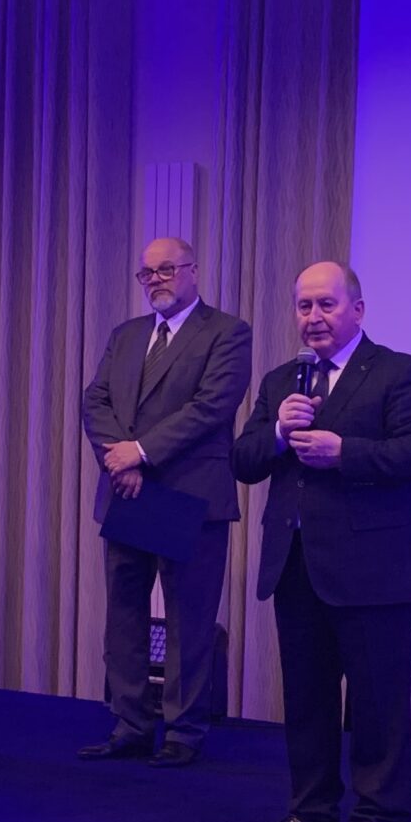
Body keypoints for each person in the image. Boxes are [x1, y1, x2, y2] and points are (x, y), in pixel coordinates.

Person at [231, 261, 411, 822]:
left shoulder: (399, 371)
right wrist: (278, 432)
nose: (314, 317)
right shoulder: (282, 380)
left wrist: (344, 451)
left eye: (326, 304)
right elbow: (243, 459)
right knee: (306, 699)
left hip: (374, 569)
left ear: (357, 309)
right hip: (297, 565)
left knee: (377, 704)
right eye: (304, 306)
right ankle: (311, 811)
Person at [77, 236, 253, 766]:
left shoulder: (227, 333)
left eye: (167, 269)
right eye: (148, 273)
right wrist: (120, 461)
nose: (156, 280)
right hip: (128, 492)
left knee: (189, 622)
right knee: (123, 617)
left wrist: (139, 452)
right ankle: (130, 724)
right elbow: (95, 400)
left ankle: (183, 733)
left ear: (193, 270)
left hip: (189, 497)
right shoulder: (126, 334)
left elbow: (211, 408)